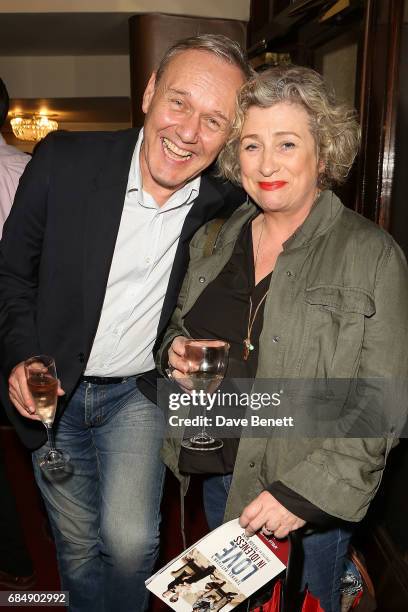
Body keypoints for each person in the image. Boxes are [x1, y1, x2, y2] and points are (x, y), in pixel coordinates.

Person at [0, 36, 251, 611]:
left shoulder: (227, 205)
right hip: (50, 393)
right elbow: (11, 275)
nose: (189, 132)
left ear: (231, 136)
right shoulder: (63, 162)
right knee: (78, 543)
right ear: (148, 93)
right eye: (179, 102)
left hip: (137, 396)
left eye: (214, 119)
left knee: (134, 544)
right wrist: (21, 355)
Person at [158, 65, 408, 612]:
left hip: (308, 496)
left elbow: (381, 405)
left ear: (324, 154)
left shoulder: (371, 255)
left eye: (287, 143)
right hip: (222, 469)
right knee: (230, 604)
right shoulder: (214, 238)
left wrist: (301, 497)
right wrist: (172, 351)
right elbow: (175, 328)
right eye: (251, 145)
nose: (266, 164)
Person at [0, 77, 36, 590]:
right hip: (31, 325)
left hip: (24, 322)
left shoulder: (30, 169)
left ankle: (16, 558)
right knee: (45, 436)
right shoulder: (28, 168)